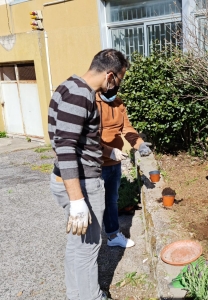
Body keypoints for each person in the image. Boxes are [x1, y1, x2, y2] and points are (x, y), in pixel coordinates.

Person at [48, 49, 129, 300]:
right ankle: (91, 297)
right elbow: (65, 147)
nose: (117, 85)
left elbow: (79, 138)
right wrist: (77, 200)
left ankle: (76, 294)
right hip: (80, 184)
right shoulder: (81, 95)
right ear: (110, 76)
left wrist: (108, 151)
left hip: (69, 179)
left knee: (77, 244)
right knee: (89, 248)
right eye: (120, 79)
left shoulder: (68, 86)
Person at [96, 91, 152, 248]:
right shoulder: (91, 103)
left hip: (115, 161)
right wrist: (108, 152)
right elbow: (89, 139)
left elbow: (126, 128)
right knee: (94, 202)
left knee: (111, 200)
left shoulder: (118, 103)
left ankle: (113, 234)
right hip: (97, 163)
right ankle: (89, 240)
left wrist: (139, 144)